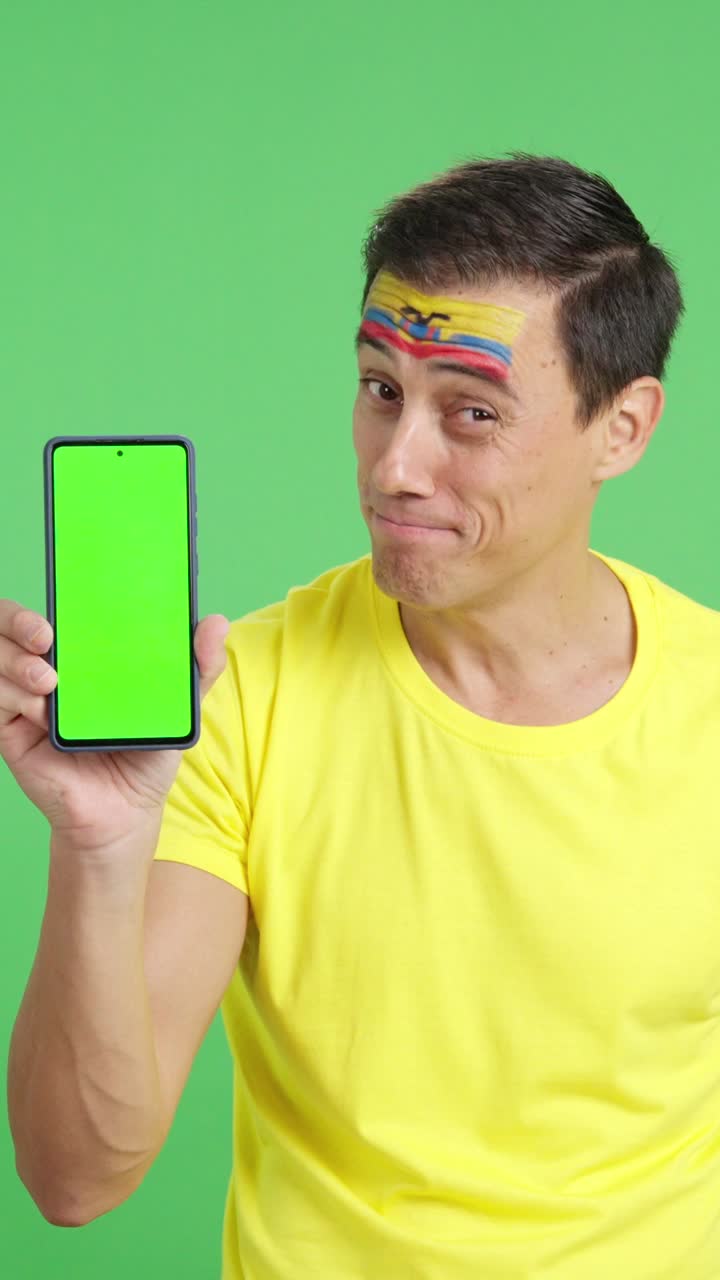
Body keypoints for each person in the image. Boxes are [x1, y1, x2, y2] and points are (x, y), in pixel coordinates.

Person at [9, 150, 718, 1278]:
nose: (396, 465)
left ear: (622, 428)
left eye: (470, 412)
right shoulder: (241, 699)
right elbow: (78, 1178)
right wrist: (99, 844)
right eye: (381, 389)